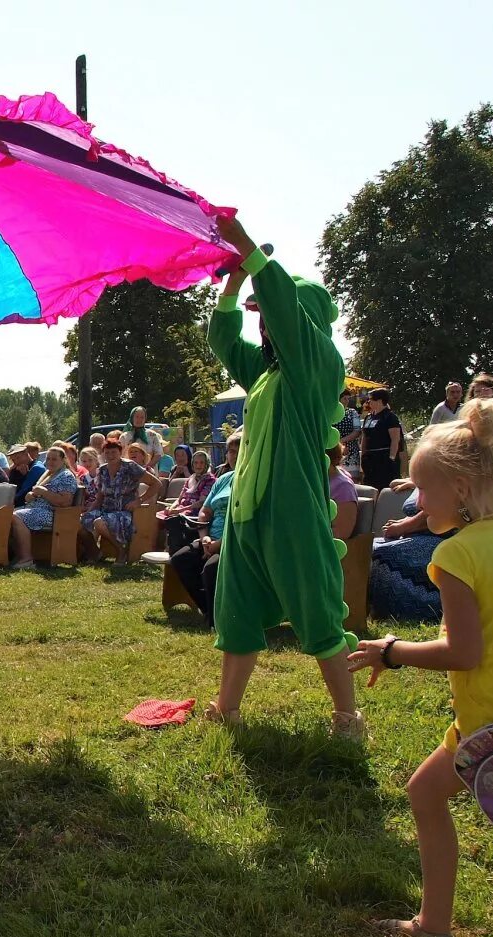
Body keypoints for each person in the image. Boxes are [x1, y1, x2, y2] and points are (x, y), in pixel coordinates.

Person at [348, 398, 493, 937]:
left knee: (424, 796)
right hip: (482, 723)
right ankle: (433, 926)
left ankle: (434, 926)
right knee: (424, 791)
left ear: (459, 489)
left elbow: (463, 652)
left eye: (422, 489)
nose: (416, 500)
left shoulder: (456, 556)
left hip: (489, 726)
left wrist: (394, 651)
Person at [202, 216, 363, 739]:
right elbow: (225, 342)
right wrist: (231, 284)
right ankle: (227, 706)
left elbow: (288, 319)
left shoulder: (315, 366)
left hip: (293, 511)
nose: (264, 326)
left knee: (316, 606)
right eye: (263, 320)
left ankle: (347, 715)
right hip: (249, 509)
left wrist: (247, 247)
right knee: (238, 608)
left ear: (302, 322)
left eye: (271, 317)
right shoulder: (268, 371)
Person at [167, 463, 236, 626]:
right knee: (180, 559)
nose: (235, 455)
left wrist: (219, 544)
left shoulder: (253, 481)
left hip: (236, 542)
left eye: (239, 450)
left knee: (210, 569)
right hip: (210, 539)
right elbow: (205, 511)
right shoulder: (224, 479)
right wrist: (205, 538)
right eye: (231, 451)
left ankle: (216, 619)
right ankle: (208, 609)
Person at [371, 492, 457, 622]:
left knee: (383, 554)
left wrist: (403, 527)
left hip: (445, 539)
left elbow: (441, 509)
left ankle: (416, 612)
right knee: (369, 547)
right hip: (421, 535)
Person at [79, 438, 160, 563]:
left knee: (98, 522)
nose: (110, 455)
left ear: (120, 452)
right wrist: (88, 511)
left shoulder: (130, 467)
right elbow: (100, 496)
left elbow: (156, 484)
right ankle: (95, 553)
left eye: (114, 452)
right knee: (82, 522)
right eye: (107, 453)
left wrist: (139, 501)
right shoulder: (102, 470)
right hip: (105, 509)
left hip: (124, 511)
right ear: (103, 454)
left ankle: (121, 551)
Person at [9, 446, 79, 564]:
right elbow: (33, 493)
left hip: (54, 514)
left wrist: (44, 492)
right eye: (48, 459)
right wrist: (30, 495)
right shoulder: (47, 475)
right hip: (36, 509)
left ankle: (26, 559)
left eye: (54, 459)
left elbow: (65, 502)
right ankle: (15, 555)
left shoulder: (66, 476)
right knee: (5, 515)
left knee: (16, 516)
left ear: (63, 460)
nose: (50, 462)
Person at [360, 387, 404, 488]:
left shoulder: (390, 417)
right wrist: (363, 455)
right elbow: (364, 437)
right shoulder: (369, 417)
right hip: (369, 459)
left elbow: (395, 439)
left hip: (384, 458)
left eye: (371, 399)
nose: (368, 401)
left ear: (379, 400)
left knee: (384, 486)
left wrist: (391, 458)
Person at [159, 449, 217, 523]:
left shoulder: (210, 480)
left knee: (173, 520)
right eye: (196, 463)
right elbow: (179, 499)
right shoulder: (191, 478)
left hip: (196, 512)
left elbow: (202, 502)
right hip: (182, 510)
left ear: (206, 464)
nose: (198, 466)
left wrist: (180, 510)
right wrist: (171, 508)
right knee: (159, 517)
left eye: (202, 463)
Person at [336, 389, 363, 477]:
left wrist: (340, 441)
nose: (347, 401)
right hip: (335, 452)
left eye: (348, 399)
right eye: (344, 399)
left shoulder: (352, 412)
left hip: (351, 452)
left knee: (352, 479)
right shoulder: (330, 412)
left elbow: (357, 431)